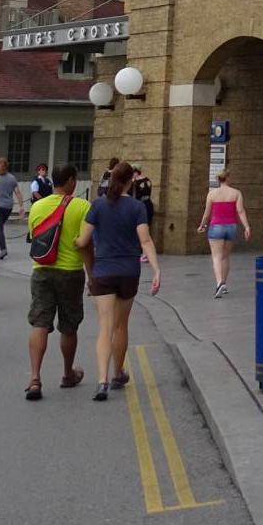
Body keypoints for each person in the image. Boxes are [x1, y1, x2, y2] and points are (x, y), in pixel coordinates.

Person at [77, 160, 160, 401]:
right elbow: (145, 241)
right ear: (130, 181)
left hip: (103, 271)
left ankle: (101, 381)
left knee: (104, 327)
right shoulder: (137, 208)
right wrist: (156, 270)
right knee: (121, 326)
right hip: (128, 271)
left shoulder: (97, 206)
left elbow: (83, 241)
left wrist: (78, 248)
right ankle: (117, 373)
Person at [25, 163, 91, 400]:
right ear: (72, 180)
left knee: (39, 323)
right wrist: (92, 276)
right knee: (69, 325)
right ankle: (67, 373)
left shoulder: (37, 206)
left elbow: (34, 237)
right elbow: (85, 245)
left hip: (41, 270)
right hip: (70, 271)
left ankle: (34, 378)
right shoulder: (82, 206)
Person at [199, 167, 251, 289]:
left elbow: (207, 213)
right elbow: (241, 211)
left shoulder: (212, 194)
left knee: (216, 257)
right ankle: (224, 281)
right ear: (228, 178)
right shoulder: (236, 193)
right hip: (231, 226)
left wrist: (202, 225)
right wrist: (246, 227)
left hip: (216, 226)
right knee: (225, 256)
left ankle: (219, 283)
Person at [0, 157, 23, 260]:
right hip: (8, 206)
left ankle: (3, 248)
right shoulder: (12, 178)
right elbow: (18, 192)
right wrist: (21, 206)